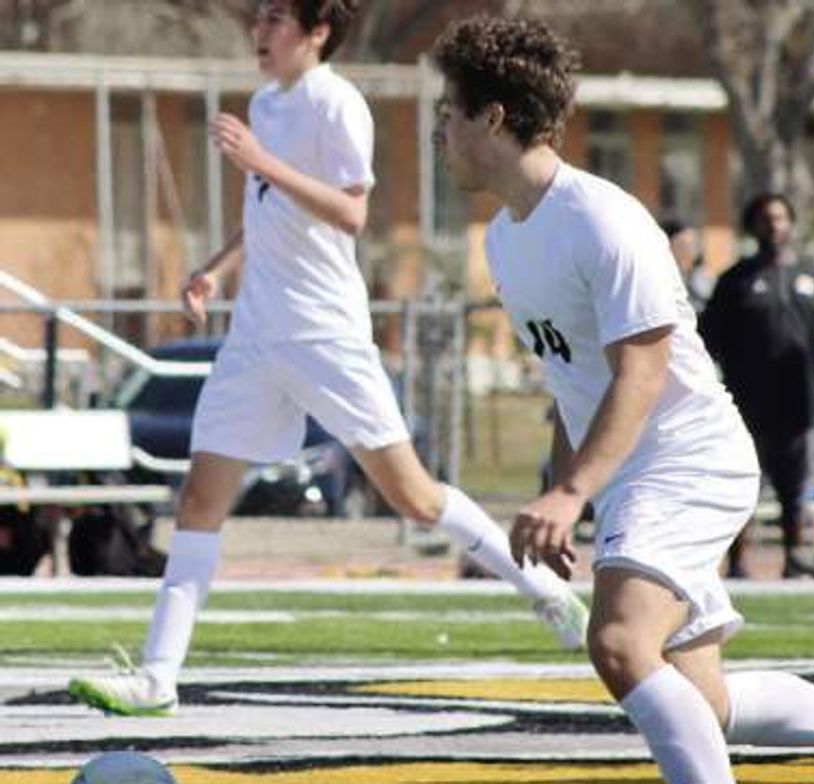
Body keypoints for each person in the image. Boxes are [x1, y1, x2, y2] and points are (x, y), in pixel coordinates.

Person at [432, 14, 814, 784]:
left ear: (496, 117)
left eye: (450, 110)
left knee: (620, 641)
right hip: (630, 474)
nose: (440, 128)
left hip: (691, 461)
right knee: (703, 702)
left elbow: (641, 374)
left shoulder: (605, 221)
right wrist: (563, 490)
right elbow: (572, 383)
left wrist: (571, 490)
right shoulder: (507, 238)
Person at [67, 0, 588, 718]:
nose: (261, 32)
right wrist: (217, 268)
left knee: (413, 496)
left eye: (277, 19)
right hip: (254, 334)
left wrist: (260, 160)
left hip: (324, 331)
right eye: (260, 18)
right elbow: (270, 213)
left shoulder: (337, 103)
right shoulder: (263, 102)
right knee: (199, 500)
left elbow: (350, 214)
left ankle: (544, 589)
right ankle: (159, 676)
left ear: (318, 32)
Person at [699, 194, 814, 578]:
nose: (774, 226)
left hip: (799, 402)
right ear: (753, 226)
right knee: (741, 488)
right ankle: (738, 563)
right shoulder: (735, 280)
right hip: (747, 403)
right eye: (766, 219)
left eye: (781, 218)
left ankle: (795, 559)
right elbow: (709, 338)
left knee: (795, 489)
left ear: (791, 224)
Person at [660, 218, 713, 314]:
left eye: (693, 245)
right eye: (683, 245)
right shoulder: (662, 281)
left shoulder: (703, 277)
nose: (690, 251)